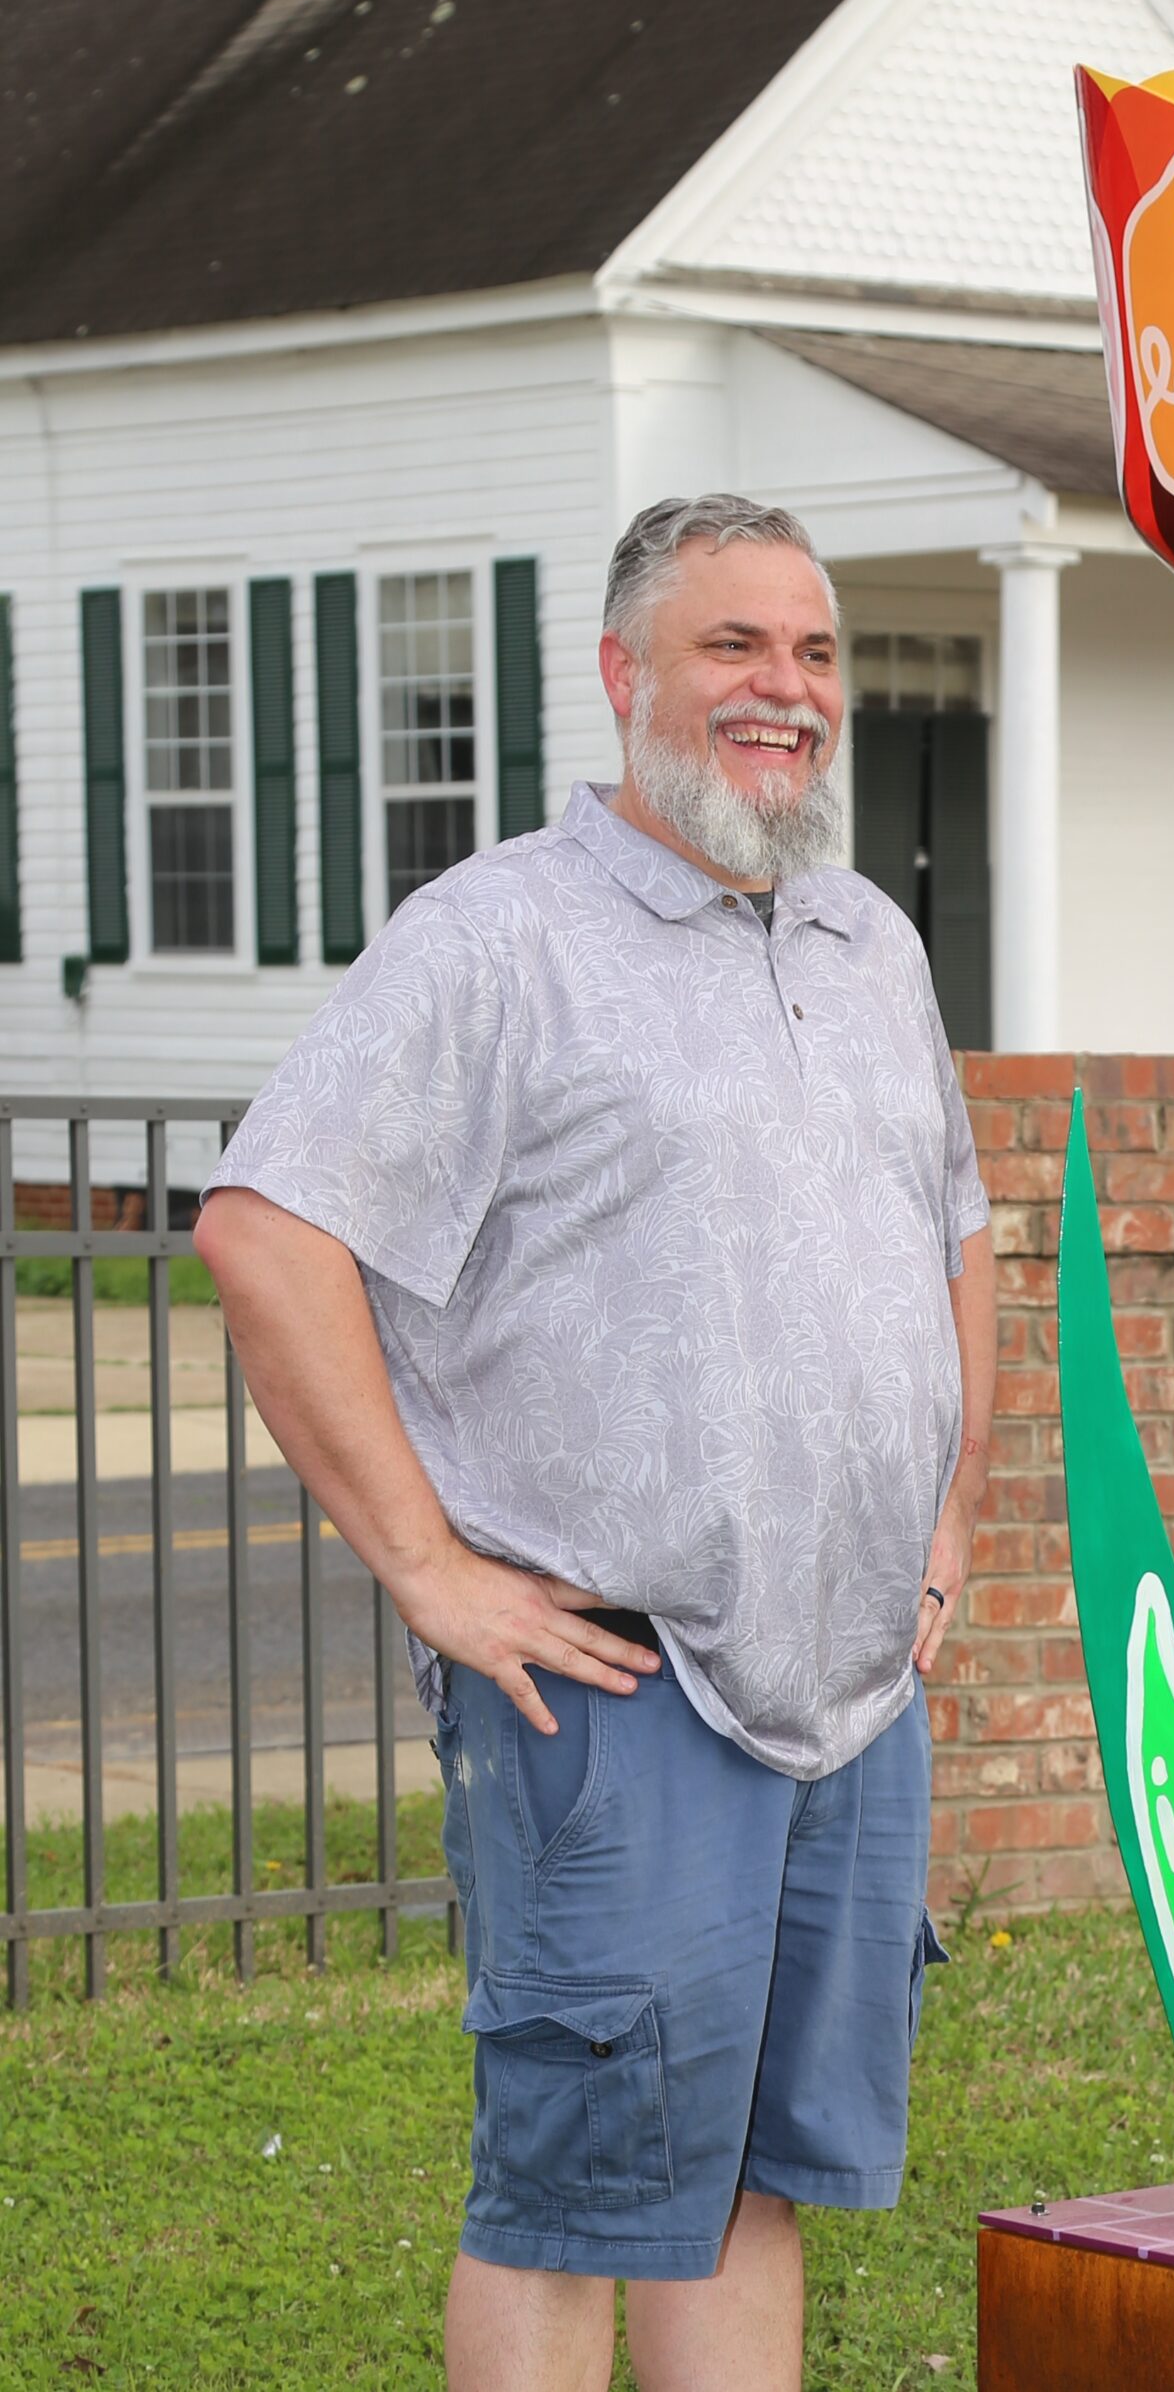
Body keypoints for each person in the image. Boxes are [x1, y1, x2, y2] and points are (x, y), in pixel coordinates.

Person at [194, 494, 993, 2392]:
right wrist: (428, 1565)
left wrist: (950, 1518)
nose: (784, 689)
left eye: (813, 652)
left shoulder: (869, 938)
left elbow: (951, 1229)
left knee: (745, 2176)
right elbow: (266, 1230)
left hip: (850, 1688)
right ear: (628, 675)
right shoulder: (497, 942)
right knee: (572, 2190)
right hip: (616, 1682)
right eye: (735, 647)